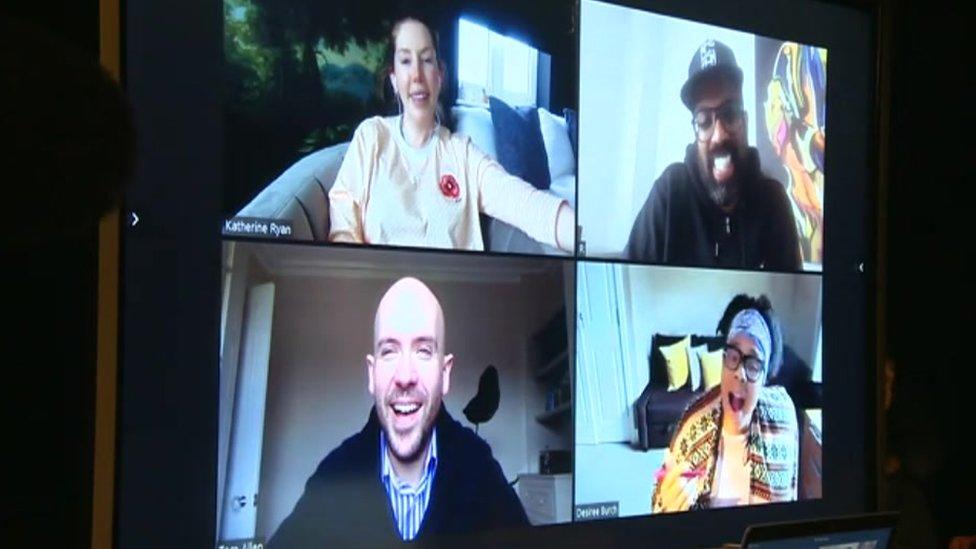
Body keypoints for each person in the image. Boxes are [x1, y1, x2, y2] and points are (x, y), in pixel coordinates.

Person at [268, 277, 528, 547]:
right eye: (390, 351)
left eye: (424, 351)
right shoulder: (334, 474)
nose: (405, 376)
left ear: (445, 373)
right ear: (372, 374)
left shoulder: (479, 468)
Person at [328, 16, 575, 253]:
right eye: (405, 61)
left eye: (426, 60)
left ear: (440, 75)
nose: (417, 76)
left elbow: (524, 203)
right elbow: (343, 228)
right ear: (393, 79)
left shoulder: (462, 153)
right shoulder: (371, 137)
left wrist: (583, 234)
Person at [625, 39, 802, 270]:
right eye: (704, 121)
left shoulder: (774, 202)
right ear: (695, 129)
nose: (718, 135)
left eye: (729, 114)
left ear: (745, 122)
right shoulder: (668, 194)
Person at [651, 295, 798, 512]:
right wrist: (667, 505)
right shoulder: (693, 423)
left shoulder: (782, 419)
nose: (739, 373)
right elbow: (658, 501)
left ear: (765, 379)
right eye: (732, 356)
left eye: (753, 363)